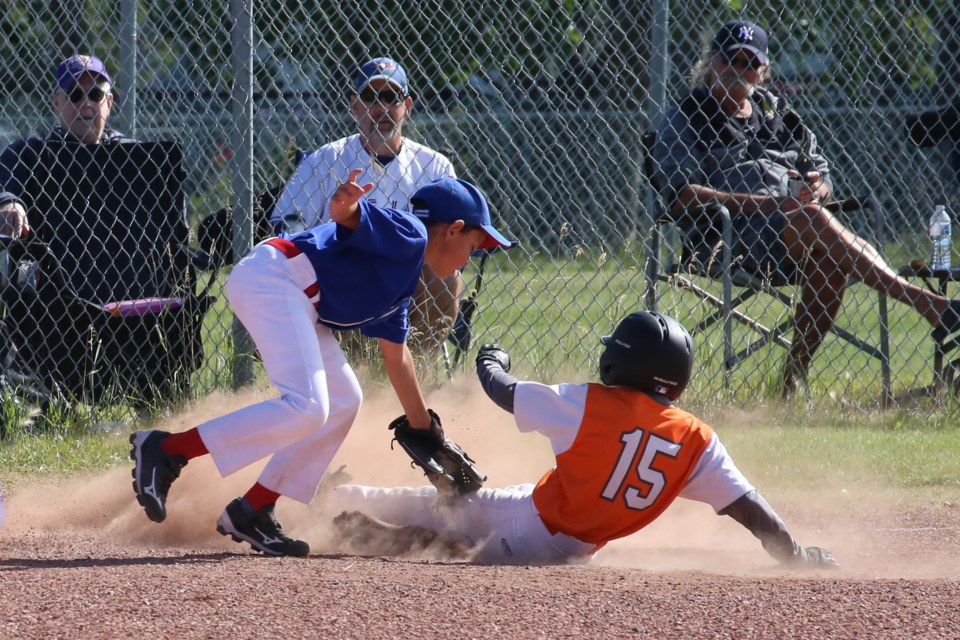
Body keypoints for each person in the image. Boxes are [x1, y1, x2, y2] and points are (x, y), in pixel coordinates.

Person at [129, 175, 515, 557]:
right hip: (275, 278)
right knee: (309, 405)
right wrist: (346, 203)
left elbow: (396, 357)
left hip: (295, 294)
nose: (471, 258)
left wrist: (424, 429)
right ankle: (167, 448)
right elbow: (347, 216)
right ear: (454, 230)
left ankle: (254, 510)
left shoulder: (401, 282)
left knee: (345, 400)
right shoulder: (411, 234)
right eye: (475, 246)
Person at [329, 311, 839, 568]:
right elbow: (749, 509)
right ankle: (338, 502)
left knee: (451, 542)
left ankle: (357, 521)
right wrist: (797, 555)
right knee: (450, 505)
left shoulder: (590, 403)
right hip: (565, 536)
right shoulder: (699, 441)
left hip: (534, 533)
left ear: (621, 361)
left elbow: (502, 392)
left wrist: (490, 359)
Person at [653, 20, 960, 394]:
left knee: (828, 256)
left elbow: (822, 174)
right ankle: (926, 303)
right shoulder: (687, 116)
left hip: (795, 231)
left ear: (763, 71)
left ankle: (791, 378)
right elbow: (681, 195)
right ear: (711, 63)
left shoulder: (777, 113)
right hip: (729, 238)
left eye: (750, 62)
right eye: (731, 59)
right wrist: (768, 205)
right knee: (815, 222)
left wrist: (819, 189)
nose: (740, 70)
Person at [271, 57, 461, 357]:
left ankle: (421, 369)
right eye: (371, 97)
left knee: (446, 273)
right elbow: (288, 222)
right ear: (356, 106)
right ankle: (361, 373)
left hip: (410, 279)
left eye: (391, 97)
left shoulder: (434, 166)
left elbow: (455, 238)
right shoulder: (326, 159)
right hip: (345, 276)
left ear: (407, 106)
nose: (381, 108)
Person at [0, 54, 134, 199]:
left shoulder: (129, 154)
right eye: (75, 95)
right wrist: (9, 203)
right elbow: (6, 188)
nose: (86, 104)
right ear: (56, 103)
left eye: (95, 95)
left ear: (108, 103)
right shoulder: (30, 156)